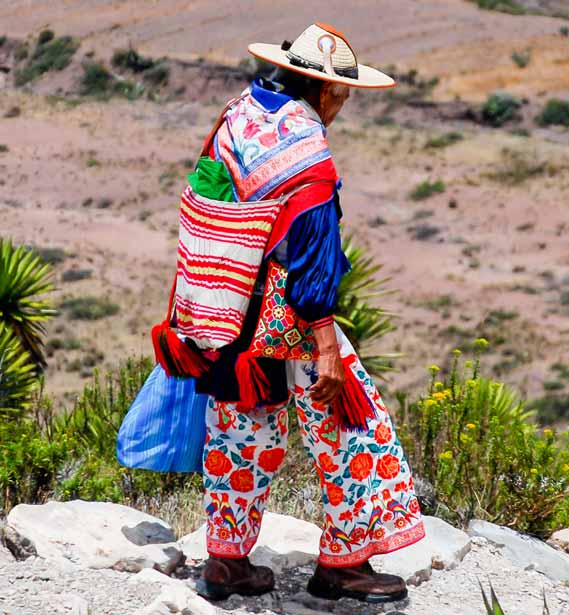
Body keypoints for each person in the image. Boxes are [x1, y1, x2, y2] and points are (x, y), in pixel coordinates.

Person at [162, 23, 423, 604]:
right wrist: (326, 341)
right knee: (350, 425)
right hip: (290, 317)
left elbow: (208, 195)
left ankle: (226, 561)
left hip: (224, 302)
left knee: (240, 430)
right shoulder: (308, 152)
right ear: (324, 91)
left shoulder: (241, 113)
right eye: (344, 96)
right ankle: (345, 564)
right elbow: (312, 252)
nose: (343, 106)